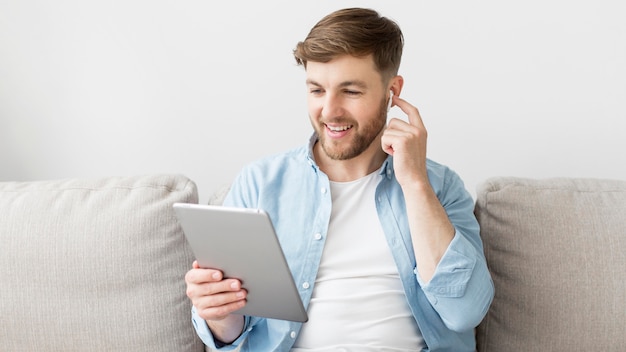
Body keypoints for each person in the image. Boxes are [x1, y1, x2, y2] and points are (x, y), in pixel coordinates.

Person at [185, 7, 494, 352]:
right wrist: (218, 312)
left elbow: (464, 311)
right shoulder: (260, 183)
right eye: (317, 90)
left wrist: (415, 183)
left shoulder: (439, 186)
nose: (330, 111)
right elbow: (231, 335)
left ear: (392, 91)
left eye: (350, 91)